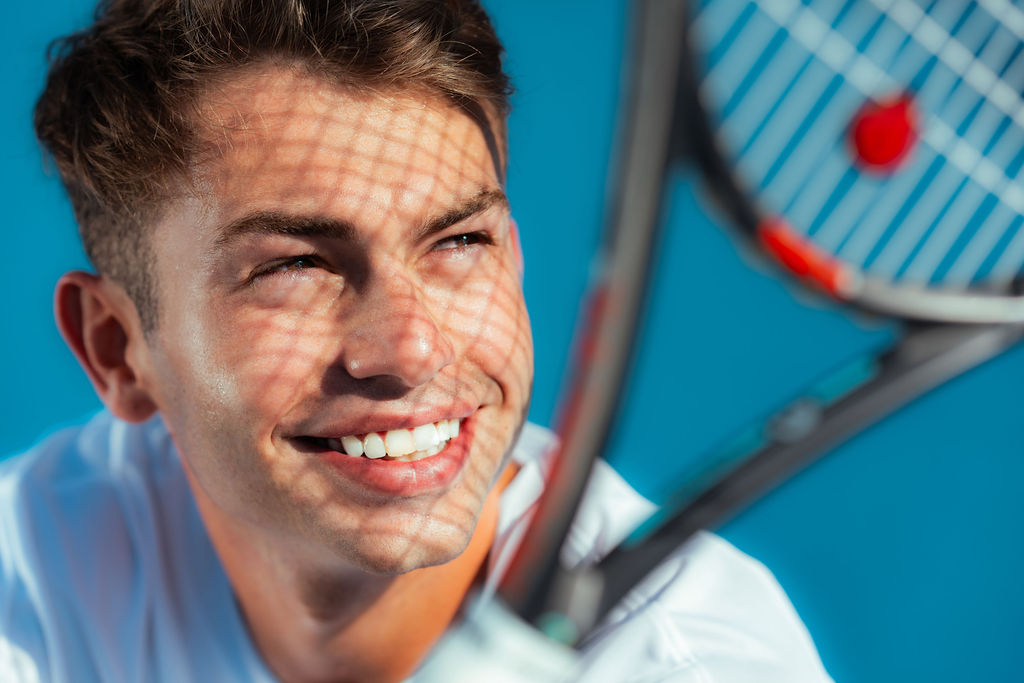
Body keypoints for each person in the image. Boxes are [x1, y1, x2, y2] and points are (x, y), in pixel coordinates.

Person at [0, 1, 831, 681]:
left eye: (459, 241)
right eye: (294, 265)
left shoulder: (689, 662)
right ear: (117, 350)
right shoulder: (32, 567)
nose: (412, 349)